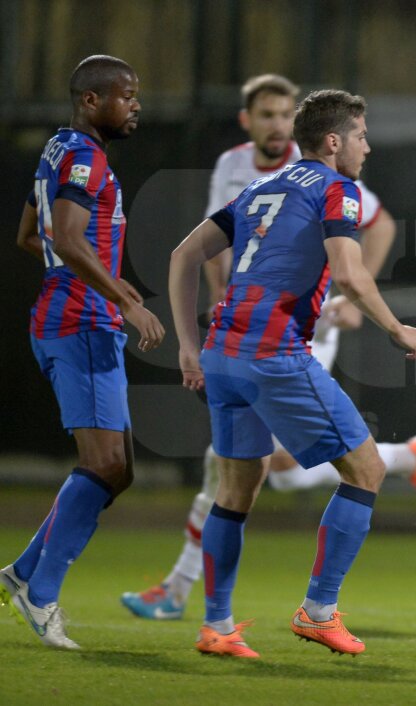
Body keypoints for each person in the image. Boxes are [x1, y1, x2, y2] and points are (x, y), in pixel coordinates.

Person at [120, 74, 416, 622]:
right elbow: (350, 273)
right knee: (363, 471)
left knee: (235, 490)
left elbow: (182, 256)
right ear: (335, 142)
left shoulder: (257, 188)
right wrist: (396, 327)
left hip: (222, 355)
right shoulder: (335, 189)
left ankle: (215, 623)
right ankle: (319, 611)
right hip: (276, 355)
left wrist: (187, 347)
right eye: (362, 135)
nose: (369, 146)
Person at [0, 55, 165, 650]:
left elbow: (30, 236)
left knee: (118, 470)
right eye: (127, 94)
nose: (136, 105)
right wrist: (121, 298)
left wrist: (98, 285)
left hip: (72, 314)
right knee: (104, 465)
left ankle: (22, 573)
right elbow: (66, 240)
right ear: (92, 100)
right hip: (80, 322)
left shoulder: (57, 149)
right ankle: (41, 595)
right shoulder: (84, 156)